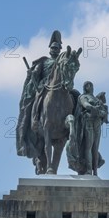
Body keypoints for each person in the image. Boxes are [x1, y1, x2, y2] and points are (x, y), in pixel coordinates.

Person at [16, 31, 63, 171]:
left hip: (61, 87)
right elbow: (36, 74)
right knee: (38, 99)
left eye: (57, 48)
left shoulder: (62, 61)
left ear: (60, 50)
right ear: (50, 49)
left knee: (75, 97)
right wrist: (32, 74)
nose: (55, 51)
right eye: (53, 48)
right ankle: (35, 118)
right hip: (45, 87)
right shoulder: (44, 61)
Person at [67, 81, 108, 175]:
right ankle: (89, 170)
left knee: (95, 148)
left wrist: (102, 112)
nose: (89, 86)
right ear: (85, 87)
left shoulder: (96, 98)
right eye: (87, 85)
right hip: (88, 123)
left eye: (90, 85)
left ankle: (95, 171)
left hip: (97, 123)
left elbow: (104, 112)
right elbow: (86, 105)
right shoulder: (82, 97)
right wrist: (95, 108)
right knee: (88, 147)